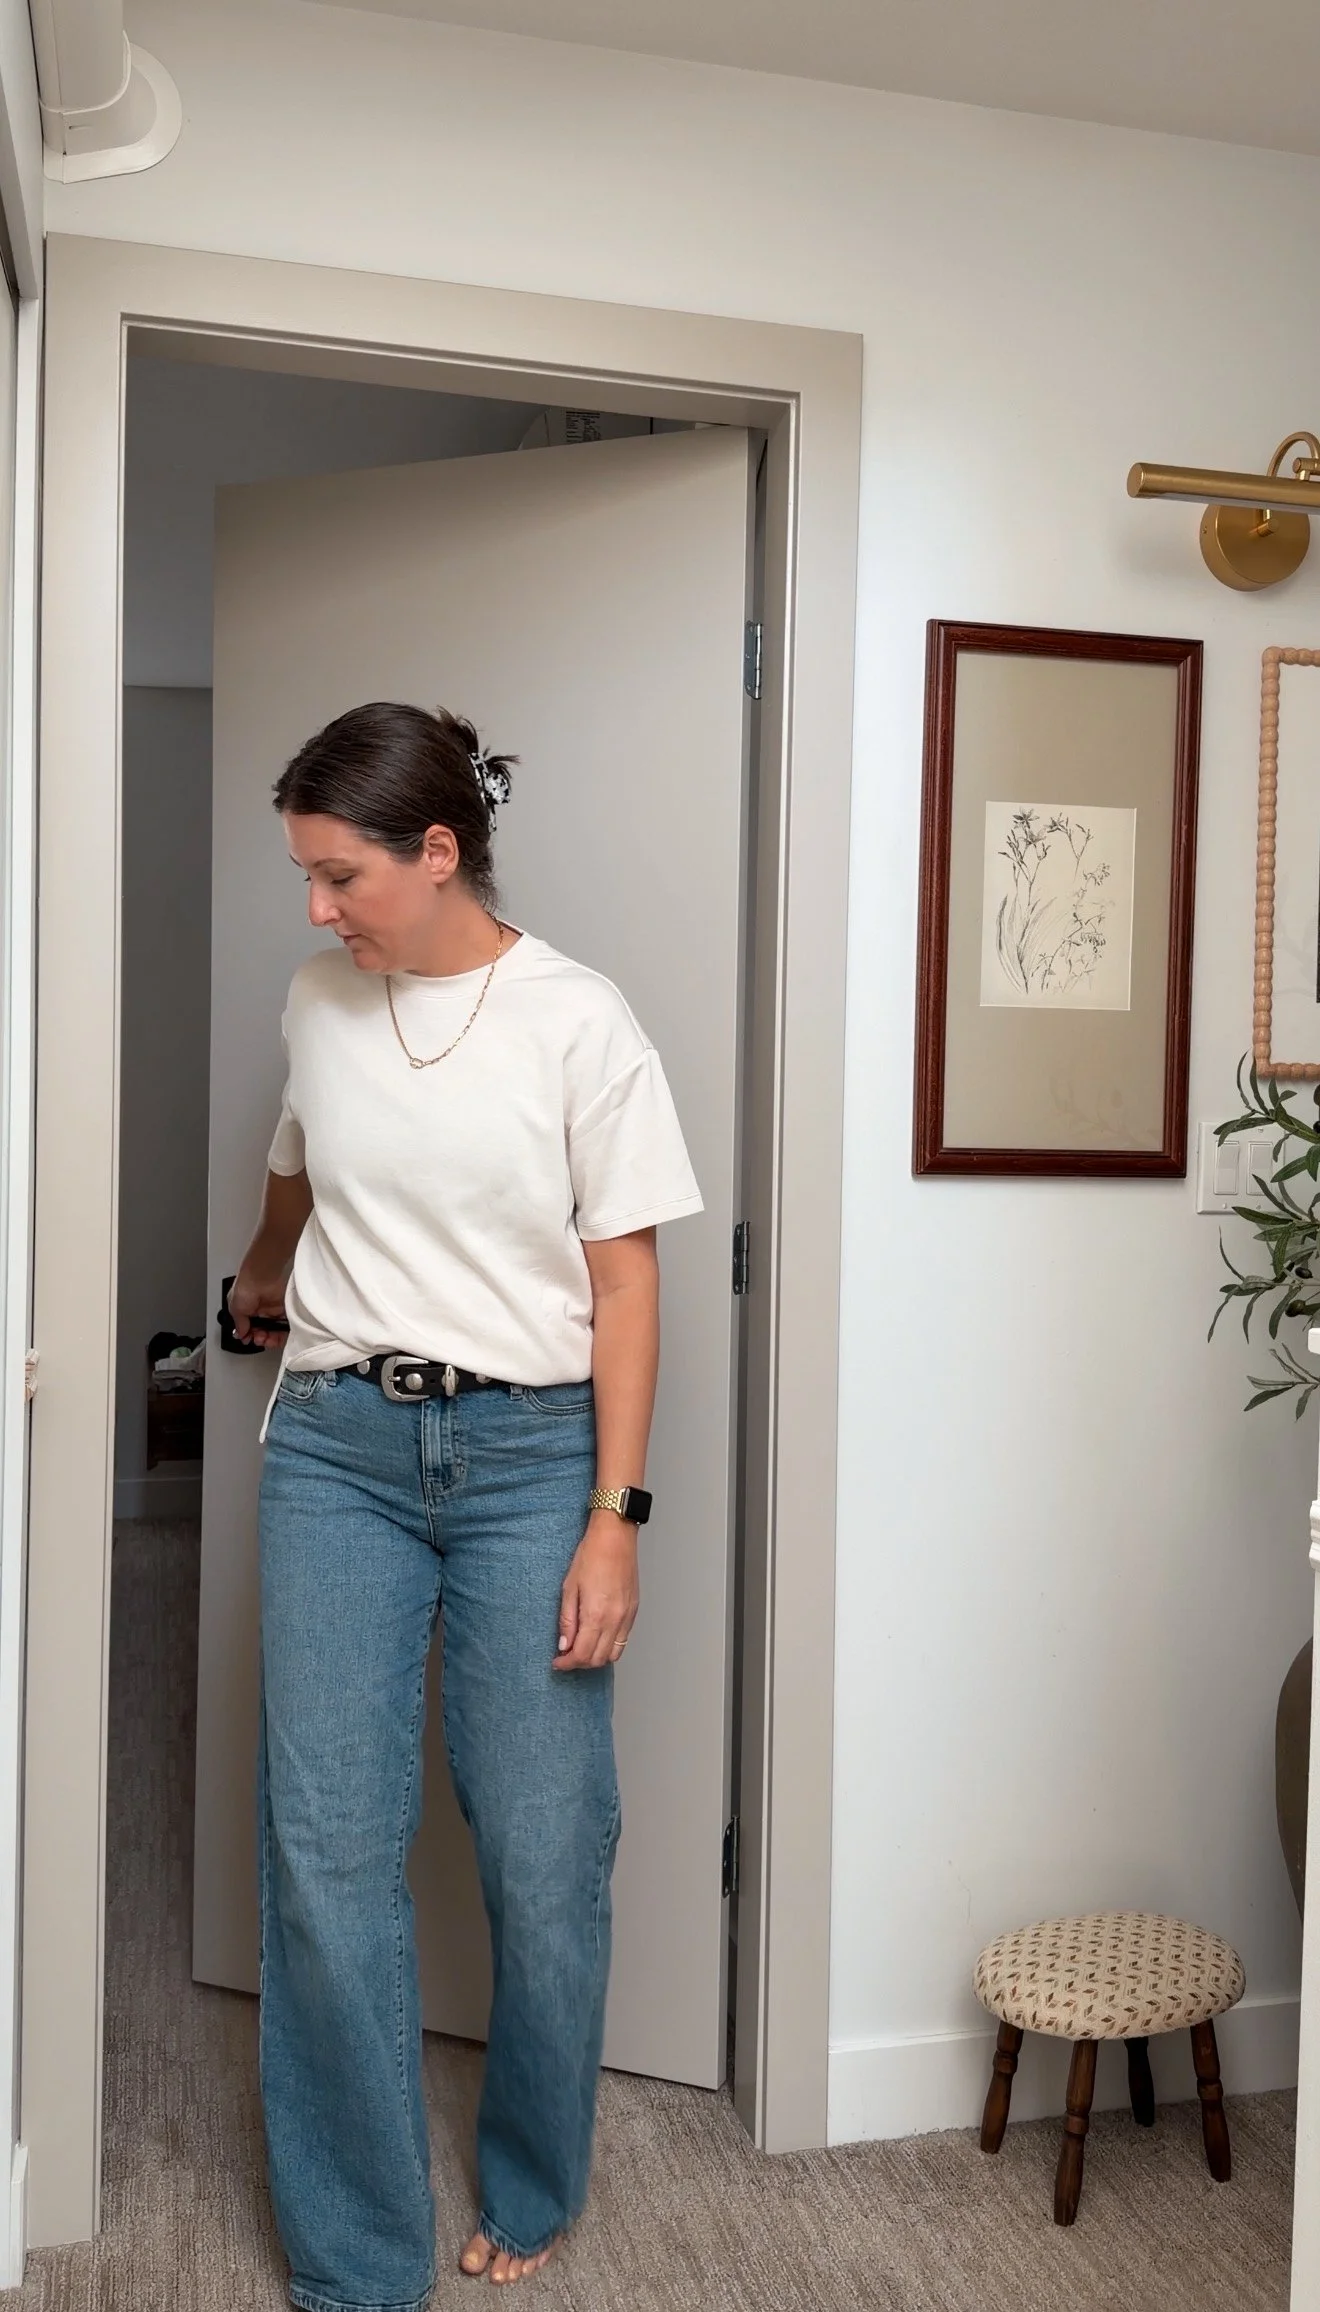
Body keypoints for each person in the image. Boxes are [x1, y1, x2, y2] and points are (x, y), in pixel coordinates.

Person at [228, 701, 702, 2307]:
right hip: (339, 1452)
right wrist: (263, 1260)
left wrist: (615, 1516)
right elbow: (301, 1153)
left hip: (529, 1464)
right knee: (325, 1852)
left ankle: (531, 2181)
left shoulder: (578, 1021)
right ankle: (362, 2261)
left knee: (547, 1854)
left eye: (339, 873)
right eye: (304, 873)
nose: (315, 908)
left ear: (440, 853)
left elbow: (626, 1285)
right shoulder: (319, 998)